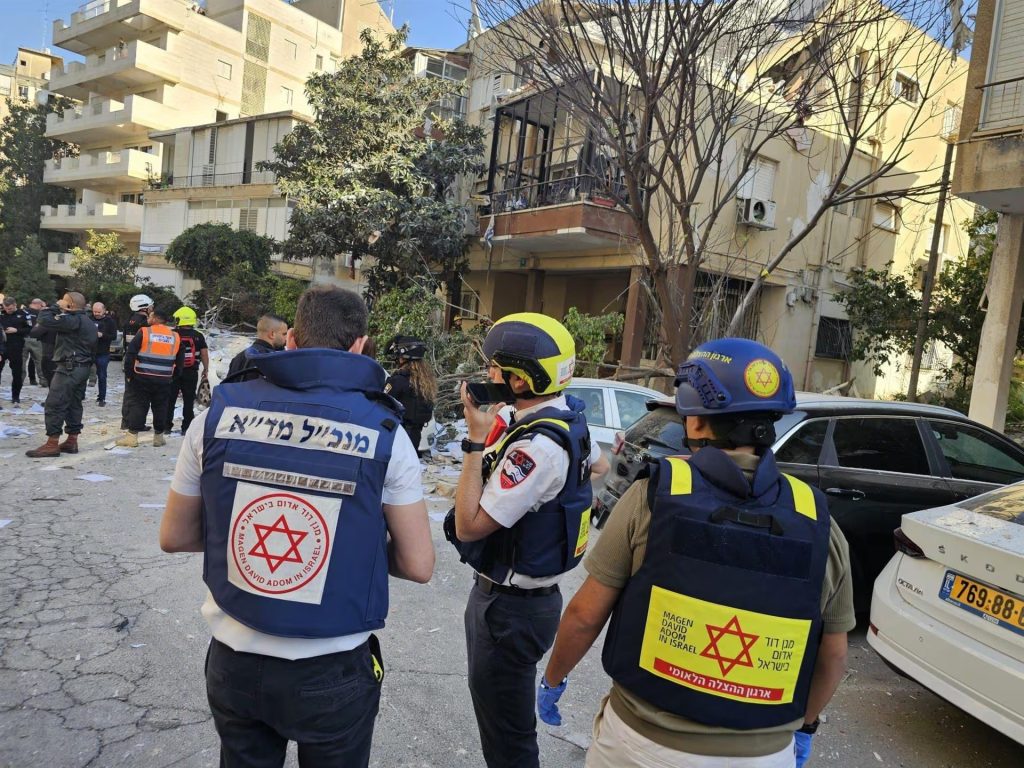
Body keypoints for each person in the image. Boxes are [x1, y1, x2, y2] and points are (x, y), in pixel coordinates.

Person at [536, 338, 855, 768]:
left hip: (641, 745)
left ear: (698, 423)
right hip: (763, 756)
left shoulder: (652, 497)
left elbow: (584, 615)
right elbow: (833, 655)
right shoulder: (819, 521)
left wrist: (553, 678)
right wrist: (804, 727)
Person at [158, 285, 434, 767]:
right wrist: (344, 549)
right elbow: (418, 565)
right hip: (332, 666)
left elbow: (175, 536)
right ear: (360, 345)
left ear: (290, 340)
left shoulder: (215, 417)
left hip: (234, 658)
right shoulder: (385, 433)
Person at [446, 312, 596, 768]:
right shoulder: (562, 418)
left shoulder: (538, 447)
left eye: (496, 368)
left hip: (509, 611)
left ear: (520, 378)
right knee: (503, 724)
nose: (488, 374)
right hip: (519, 601)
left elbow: (470, 526)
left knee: (508, 740)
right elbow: (601, 465)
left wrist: (474, 442)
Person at [25, 292, 97, 458]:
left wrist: (55, 306)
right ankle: (72, 441)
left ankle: (52, 443)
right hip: (82, 367)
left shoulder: (73, 320)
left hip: (69, 367)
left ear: (70, 305)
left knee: (54, 403)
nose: (61, 303)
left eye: (64, 302)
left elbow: (43, 319)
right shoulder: (87, 321)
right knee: (74, 404)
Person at [117, 304, 183, 448]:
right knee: (161, 407)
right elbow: (180, 361)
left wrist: (129, 374)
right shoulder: (175, 336)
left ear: (155, 319)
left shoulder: (145, 332)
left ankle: (132, 437)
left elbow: (131, 354)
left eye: (151, 316)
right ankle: (158, 437)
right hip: (164, 379)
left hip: (142, 377)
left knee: (138, 405)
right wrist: (174, 378)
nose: (148, 318)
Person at [384, 336, 436, 454]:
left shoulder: (398, 380)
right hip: (416, 435)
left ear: (403, 357)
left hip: (399, 435)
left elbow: (382, 404)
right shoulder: (425, 380)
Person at [165, 306, 208, 434]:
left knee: (170, 399)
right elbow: (204, 354)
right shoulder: (198, 336)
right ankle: (186, 427)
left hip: (173, 371)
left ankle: (166, 427)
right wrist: (206, 369)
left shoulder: (172, 334)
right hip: (191, 372)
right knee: (188, 400)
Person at [225, 313, 288, 382]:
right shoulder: (273, 361)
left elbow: (227, 385)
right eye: (284, 334)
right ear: (272, 334)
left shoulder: (237, 358)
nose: (286, 338)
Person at [1, 297, 30, 404]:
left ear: (15, 305)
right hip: (2, 347)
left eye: (10, 308)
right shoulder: (1, 314)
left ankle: (15, 396)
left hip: (16, 347)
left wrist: (16, 330)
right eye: (6, 308)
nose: (8, 310)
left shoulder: (23, 314)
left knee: (17, 373)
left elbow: (29, 329)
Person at [90, 302, 118, 407]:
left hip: (103, 352)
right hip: (89, 351)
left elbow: (114, 336)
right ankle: (80, 395)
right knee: (82, 375)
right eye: (94, 312)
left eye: (98, 312)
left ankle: (102, 398)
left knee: (102, 376)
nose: (96, 314)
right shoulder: (89, 319)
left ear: (104, 310)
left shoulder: (110, 321)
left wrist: (102, 335)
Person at [23, 298, 45, 387]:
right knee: (39, 361)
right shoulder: (41, 313)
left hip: (24, 338)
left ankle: (19, 380)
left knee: (22, 361)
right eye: (41, 306)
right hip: (36, 339)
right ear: (38, 304)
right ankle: (43, 380)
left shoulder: (24, 312)